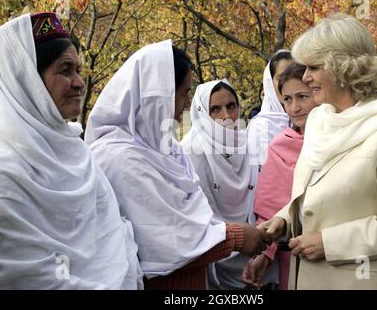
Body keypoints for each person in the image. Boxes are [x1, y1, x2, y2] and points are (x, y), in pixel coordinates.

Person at [259, 13, 377, 289]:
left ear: (344, 67)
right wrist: (284, 220)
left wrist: (328, 243)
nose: (305, 78)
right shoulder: (321, 121)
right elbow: (317, 195)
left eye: (314, 67)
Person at [84, 40, 271, 290]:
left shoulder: (165, 149)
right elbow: (166, 239)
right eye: (182, 93)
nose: (185, 104)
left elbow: (194, 216)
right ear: (157, 95)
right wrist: (236, 237)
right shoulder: (119, 158)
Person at [0, 12, 141, 289]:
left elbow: (114, 239)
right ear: (26, 81)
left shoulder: (78, 155)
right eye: (65, 70)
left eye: (78, 70)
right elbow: (28, 279)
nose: (80, 83)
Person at [181, 79, 274, 289]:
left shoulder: (249, 143)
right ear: (202, 113)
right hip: (213, 260)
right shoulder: (189, 153)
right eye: (215, 109)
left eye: (231, 106)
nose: (226, 117)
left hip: (259, 254)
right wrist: (235, 240)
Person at [242, 62, 317, 290]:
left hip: (339, 248)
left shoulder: (340, 140)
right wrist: (264, 254)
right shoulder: (280, 146)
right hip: (295, 254)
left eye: (302, 96)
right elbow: (269, 209)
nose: (295, 108)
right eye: (287, 99)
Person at [247, 50, 292, 170]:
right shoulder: (260, 127)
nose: (288, 83)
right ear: (270, 83)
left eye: (294, 76)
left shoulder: (307, 118)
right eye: (281, 77)